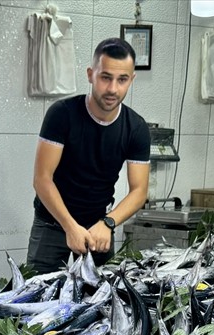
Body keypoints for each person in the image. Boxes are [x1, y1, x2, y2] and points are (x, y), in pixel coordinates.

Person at [27, 37, 152, 275]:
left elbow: (139, 191)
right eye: (105, 77)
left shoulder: (136, 128)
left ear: (131, 80)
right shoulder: (61, 115)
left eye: (122, 79)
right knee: (39, 296)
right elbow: (42, 179)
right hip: (52, 223)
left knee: (102, 301)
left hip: (99, 226)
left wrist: (109, 222)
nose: (113, 89)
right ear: (90, 74)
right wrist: (70, 226)